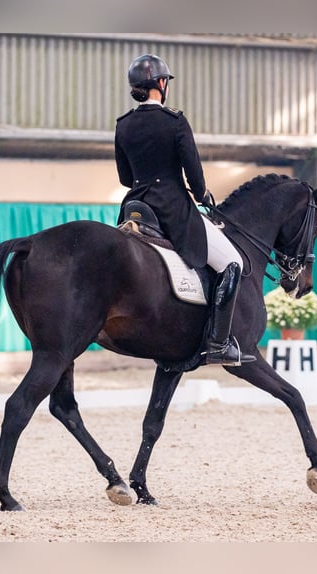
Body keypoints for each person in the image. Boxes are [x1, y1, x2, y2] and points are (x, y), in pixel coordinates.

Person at [115, 54, 255, 367]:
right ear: (161, 84)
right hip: (173, 208)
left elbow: (125, 178)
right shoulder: (174, 122)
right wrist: (203, 194)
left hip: (136, 208)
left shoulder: (123, 125)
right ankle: (218, 342)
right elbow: (193, 176)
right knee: (232, 261)